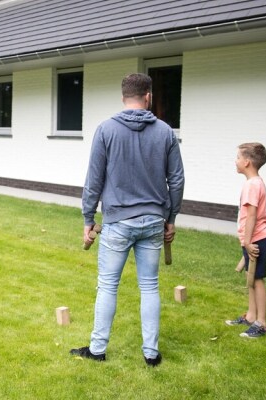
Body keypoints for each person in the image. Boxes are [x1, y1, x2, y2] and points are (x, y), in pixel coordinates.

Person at [70, 73, 185, 367]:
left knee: (108, 285)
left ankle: (97, 350)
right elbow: (177, 179)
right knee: (149, 286)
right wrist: (170, 217)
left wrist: (87, 218)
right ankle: (151, 354)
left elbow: (93, 179)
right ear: (148, 96)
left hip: (118, 222)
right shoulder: (166, 132)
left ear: (124, 97)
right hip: (153, 221)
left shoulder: (106, 129)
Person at [225, 142, 266, 338]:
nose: (235, 161)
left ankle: (262, 322)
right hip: (253, 239)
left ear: (247, 162)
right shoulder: (255, 182)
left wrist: (248, 241)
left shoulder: (252, 185)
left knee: (257, 280)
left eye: (237, 158)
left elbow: (251, 216)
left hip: (255, 240)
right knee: (250, 278)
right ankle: (251, 315)